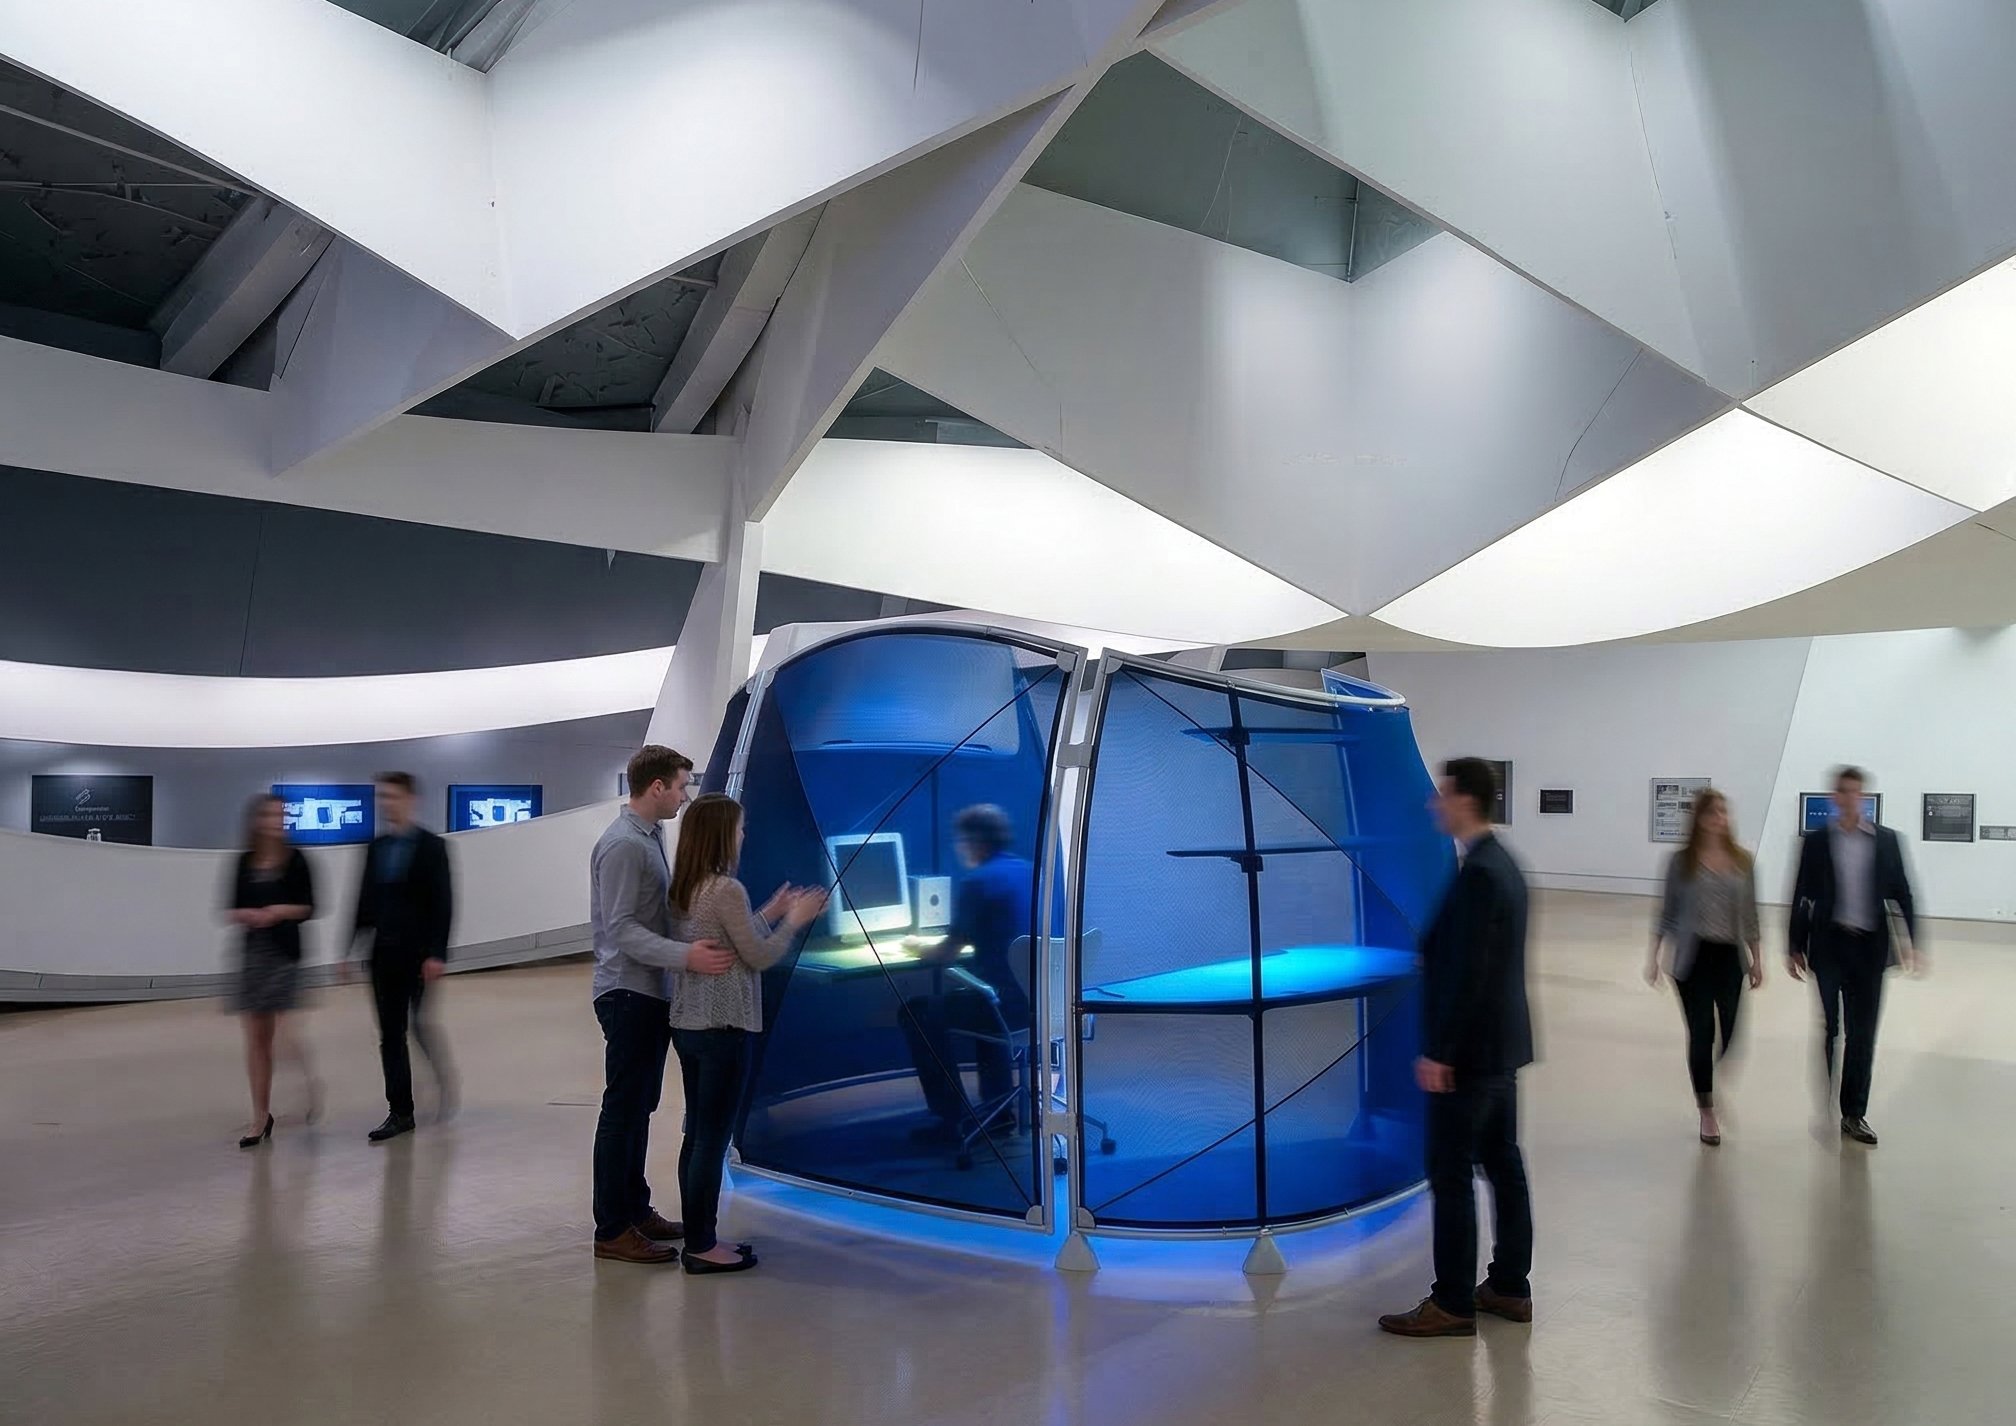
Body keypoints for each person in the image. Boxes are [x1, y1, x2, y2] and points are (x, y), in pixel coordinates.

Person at [1380, 757, 1535, 1339]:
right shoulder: (1504, 865)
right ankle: (1509, 1286)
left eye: (1441, 794)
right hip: (1501, 1048)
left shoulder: (1481, 876)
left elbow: (1472, 974)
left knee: (1450, 1175)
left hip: (1468, 1056)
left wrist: (1440, 1052)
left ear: (1465, 799)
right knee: (1503, 1165)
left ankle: (1451, 1302)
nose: (1433, 804)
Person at [665, 794, 827, 1275]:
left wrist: (770, 912)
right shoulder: (726, 889)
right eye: (739, 828)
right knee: (711, 1140)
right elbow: (757, 956)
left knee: (697, 1135)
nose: (743, 835)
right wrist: (794, 922)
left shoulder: (688, 887)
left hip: (690, 1026)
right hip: (723, 1029)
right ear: (722, 834)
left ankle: (700, 1236)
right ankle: (701, 1246)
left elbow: (732, 941)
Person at [588, 746, 736, 1266]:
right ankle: (612, 1228)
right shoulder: (624, 846)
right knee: (623, 1112)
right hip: (628, 993)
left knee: (639, 1110)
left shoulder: (650, 837)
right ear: (657, 787)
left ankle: (635, 1209)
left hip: (648, 993)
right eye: (680, 785)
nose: (684, 796)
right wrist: (686, 956)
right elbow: (623, 929)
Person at [1788, 765, 1919, 1147]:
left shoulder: (1887, 841)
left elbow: (1903, 892)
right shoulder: (1817, 842)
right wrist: (1794, 945)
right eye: (1843, 791)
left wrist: (1913, 941)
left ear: (1862, 797)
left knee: (1863, 1034)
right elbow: (1802, 894)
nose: (1849, 798)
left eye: (1855, 792)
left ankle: (1853, 1113)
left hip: (1869, 950)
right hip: (1829, 947)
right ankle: (1827, 1100)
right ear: (1834, 797)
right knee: (1831, 1029)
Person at [901, 804, 1036, 1147]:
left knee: (917, 1012)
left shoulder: (978, 882)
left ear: (975, 842)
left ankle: (950, 1119)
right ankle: (999, 1111)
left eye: (961, 840)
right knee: (984, 996)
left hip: (1006, 1008)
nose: (959, 847)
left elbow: (946, 953)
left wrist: (916, 947)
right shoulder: (1031, 872)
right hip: (1044, 1006)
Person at [1646, 788, 1764, 1146]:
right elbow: (1667, 912)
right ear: (1698, 818)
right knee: (1701, 1033)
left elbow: (1750, 913)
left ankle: (1709, 1080)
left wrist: (1757, 958)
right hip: (1693, 958)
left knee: (1731, 1031)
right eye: (1712, 812)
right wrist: (1653, 956)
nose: (1719, 818)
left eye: (1723, 812)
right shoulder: (1680, 862)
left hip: (1729, 956)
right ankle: (1707, 1109)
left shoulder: (1742, 861)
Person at [343, 771, 456, 1144]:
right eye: (383, 797)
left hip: (418, 955)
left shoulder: (431, 847)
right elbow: (363, 901)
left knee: (417, 1024)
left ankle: (439, 1076)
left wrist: (437, 954)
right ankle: (401, 1111)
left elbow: (443, 903)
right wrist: (349, 947)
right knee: (391, 1034)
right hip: (383, 954)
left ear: (410, 799)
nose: (386, 804)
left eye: (392, 796)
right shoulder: (377, 848)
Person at [226, 792, 321, 1148]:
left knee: (282, 1034)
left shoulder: (296, 859)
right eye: (268, 816)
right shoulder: (244, 861)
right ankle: (260, 1115)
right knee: (256, 1038)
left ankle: (306, 1087)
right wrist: (247, 915)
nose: (274, 822)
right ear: (257, 821)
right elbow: (230, 908)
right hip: (253, 954)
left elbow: (310, 906)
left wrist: (280, 911)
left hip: (284, 955)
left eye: (280, 816)